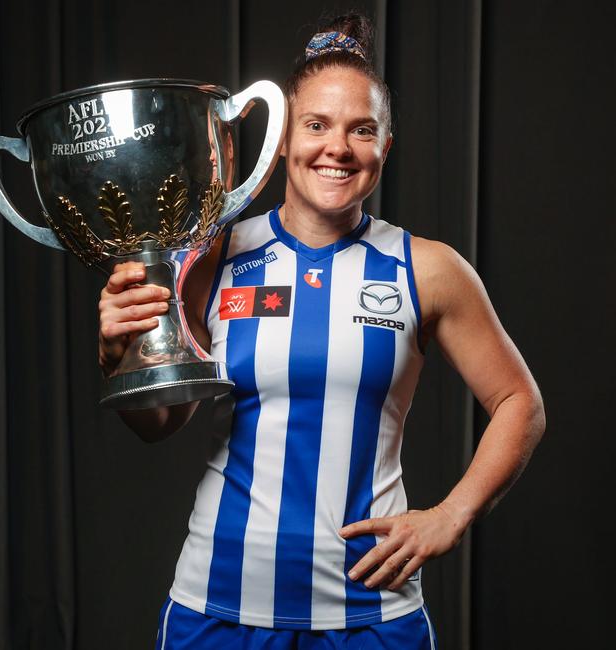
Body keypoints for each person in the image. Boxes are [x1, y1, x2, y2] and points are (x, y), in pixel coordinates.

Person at [98, 14, 545, 650]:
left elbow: (519, 403)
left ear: (384, 148)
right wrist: (121, 357)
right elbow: (161, 423)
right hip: (220, 606)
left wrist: (452, 515)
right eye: (316, 125)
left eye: (362, 130)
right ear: (282, 141)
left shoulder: (429, 269)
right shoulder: (209, 258)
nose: (337, 148)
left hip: (369, 613)